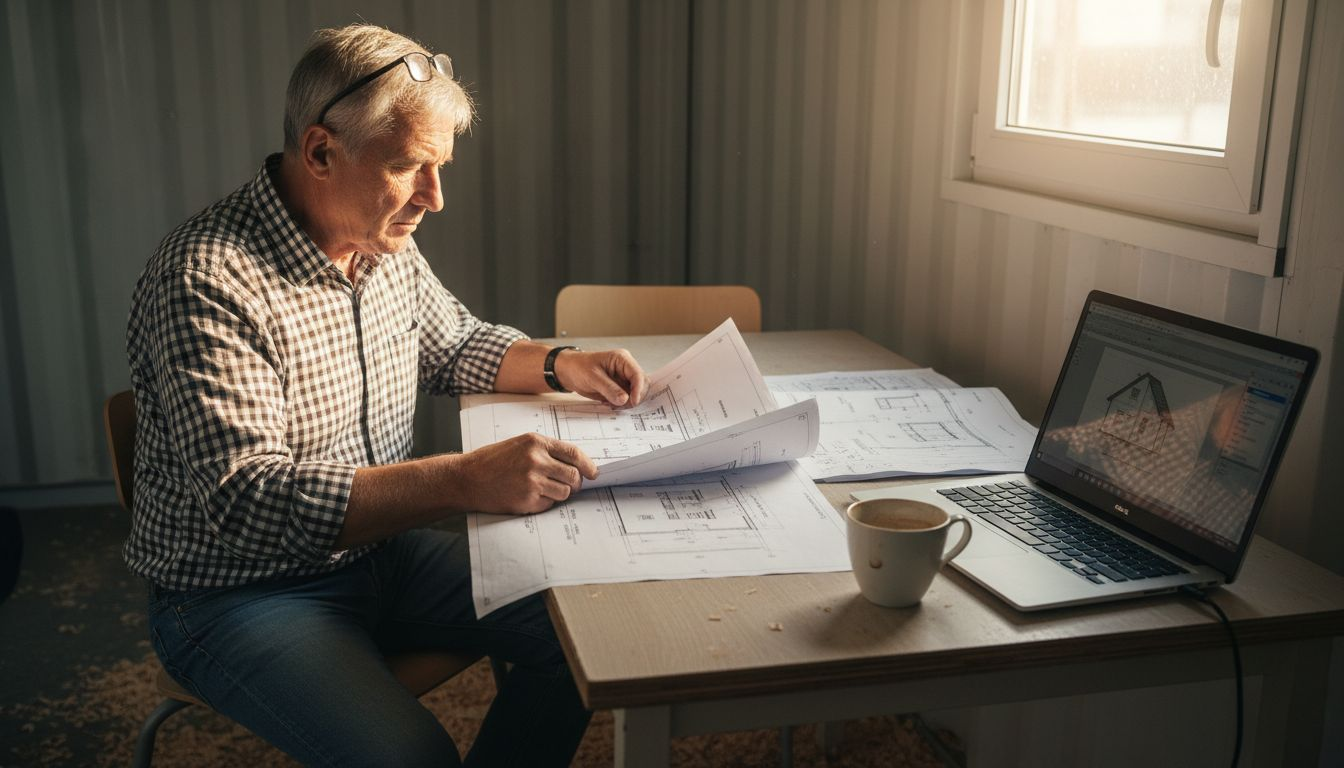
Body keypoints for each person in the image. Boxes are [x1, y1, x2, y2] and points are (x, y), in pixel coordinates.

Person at [124, 23, 647, 766]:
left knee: (588, 635)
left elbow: (453, 344)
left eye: (440, 167)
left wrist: (564, 364)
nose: (435, 197)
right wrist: (466, 480)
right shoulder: (205, 279)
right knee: (411, 758)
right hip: (238, 594)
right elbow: (249, 501)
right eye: (409, 166)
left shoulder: (377, 236)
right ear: (320, 152)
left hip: (378, 555)